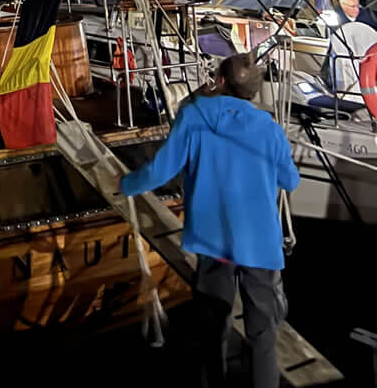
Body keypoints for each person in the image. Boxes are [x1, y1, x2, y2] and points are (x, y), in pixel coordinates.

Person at [118, 53, 299, 388]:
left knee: (212, 332)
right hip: (259, 244)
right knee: (263, 334)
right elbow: (290, 180)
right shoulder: (269, 129)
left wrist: (127, 185)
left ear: (220, 81)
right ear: (254, 90)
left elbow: (160, 170)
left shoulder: (193, 116)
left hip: (213, 241)